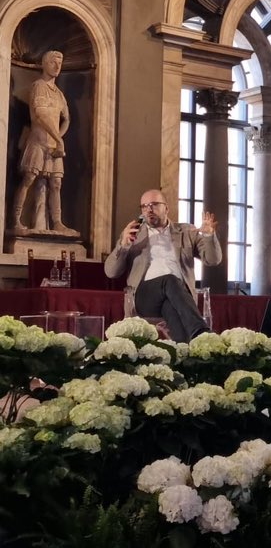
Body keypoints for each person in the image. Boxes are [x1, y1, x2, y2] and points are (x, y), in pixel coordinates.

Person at [104, 189, 221, 342]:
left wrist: (208, 235)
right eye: (144, 206)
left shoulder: (186, 231)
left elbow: (213, 260)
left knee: (171, 308)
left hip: (178, 296)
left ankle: (183, 353)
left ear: (166, 208)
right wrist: (123, 245)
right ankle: (203, 332)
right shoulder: (134, 234)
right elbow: (111, 272)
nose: (148, 210)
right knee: (170, 280)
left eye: (153, 204)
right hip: (144, 296)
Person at [11, 49, 78, 235]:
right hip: (38, 141)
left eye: (60, 62)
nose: (57, 66)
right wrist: (58, 139)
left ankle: (57, 221)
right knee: (29, 179)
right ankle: (16, 220)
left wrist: (59, 138)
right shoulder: (38, 86)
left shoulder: (59, 93)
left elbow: (67, 118)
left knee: (56, 183)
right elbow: (40, 115)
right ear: (44, 64)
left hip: (54, 145)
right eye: (53, 62)